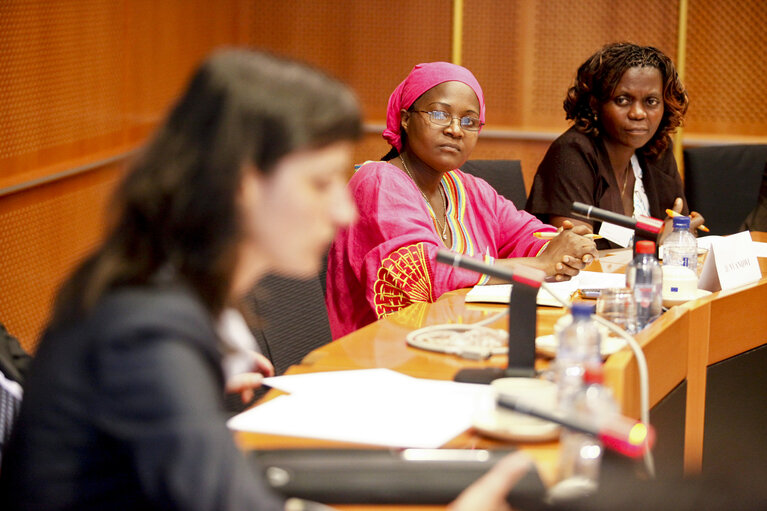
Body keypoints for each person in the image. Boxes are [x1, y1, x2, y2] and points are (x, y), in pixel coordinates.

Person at [0, 49, 543, 511]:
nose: (344, 212)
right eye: (320, 183)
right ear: (243, 182)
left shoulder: (172, 290)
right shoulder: (144, 331)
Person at [326, 62, 597, 339]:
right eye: (440, 114)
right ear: (406, 118)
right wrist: (541, 265)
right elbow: (421, 273)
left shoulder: (466, 187)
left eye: (469, 121)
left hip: (459, 337)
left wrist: (564, 246)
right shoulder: (379, 181)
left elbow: (525, 233)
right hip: (381, 353)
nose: (455, 130)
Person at [526, 42, 705, 248]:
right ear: (595, 103)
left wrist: (682, 232)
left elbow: (676, 227)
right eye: (622, 100)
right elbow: (574, 253)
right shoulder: (572, 154)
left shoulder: (657, 148)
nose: (638, 113)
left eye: (651, 101)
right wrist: (659, 244)